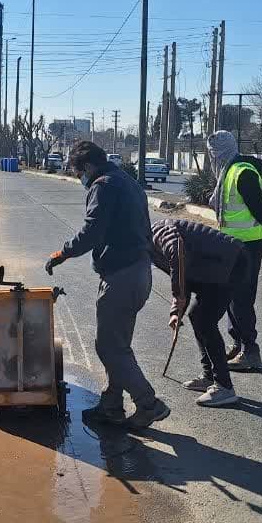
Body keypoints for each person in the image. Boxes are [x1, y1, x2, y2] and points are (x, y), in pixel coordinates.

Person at [45, 140, 170, 429]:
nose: (79, 179)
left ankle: (148, 404)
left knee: (108, 347)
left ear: (87, 166)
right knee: (119, 346)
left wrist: (62, 253)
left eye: (78, 173)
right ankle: (112, 405)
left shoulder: (103, 185)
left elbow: (92, 231)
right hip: (139, 272)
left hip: (121, 277)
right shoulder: (126, 180)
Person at [149, 219, 249, 407]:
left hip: (230, 263)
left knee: (205, 321)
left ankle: (224, 387)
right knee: (197, 316)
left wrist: (178, 297)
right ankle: (209, 376)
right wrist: (176, 311)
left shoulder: (158, 231)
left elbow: (177, 254)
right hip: (213, 270)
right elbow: (181, 274)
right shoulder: (150, 248)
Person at [206, 130, 262, 372]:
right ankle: (238, 344)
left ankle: (250, 350)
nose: (212, 159)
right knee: (231, 299)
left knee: (241, 299)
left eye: (213, 155)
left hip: (247, 245)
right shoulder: (229, 171)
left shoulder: (242, 172)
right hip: (233, 245)